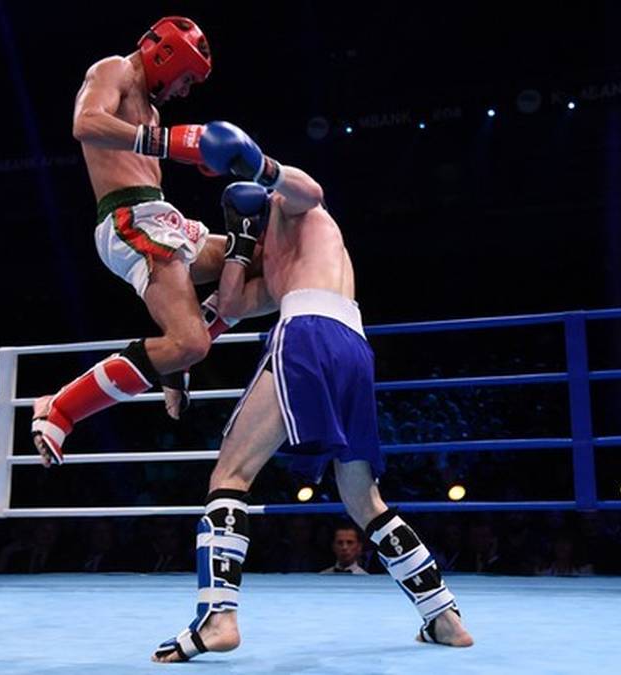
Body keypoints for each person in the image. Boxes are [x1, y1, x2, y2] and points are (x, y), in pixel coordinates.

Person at [152, 123, 473, 662]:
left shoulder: (298, 207)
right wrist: (240, 243)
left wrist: (261, 168)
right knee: (361, 500)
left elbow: (309, 190)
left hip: (308, 334)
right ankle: (442, 614)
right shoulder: (273, 263)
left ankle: (217, 618)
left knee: (229, 476)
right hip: (352, 346)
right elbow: (229, 307)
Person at [32, 17, 246, 466]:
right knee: (192, 343)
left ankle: (173, 362)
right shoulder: (113, 70)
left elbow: (151, 150)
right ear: (167, 58)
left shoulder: (152, 111)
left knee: (253, 259)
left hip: (164, 216)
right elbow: (85, 123)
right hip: (128, 218)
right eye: (187, 79)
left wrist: (195, 155)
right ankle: (60, 408)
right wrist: (164, 142)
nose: (184, 91)